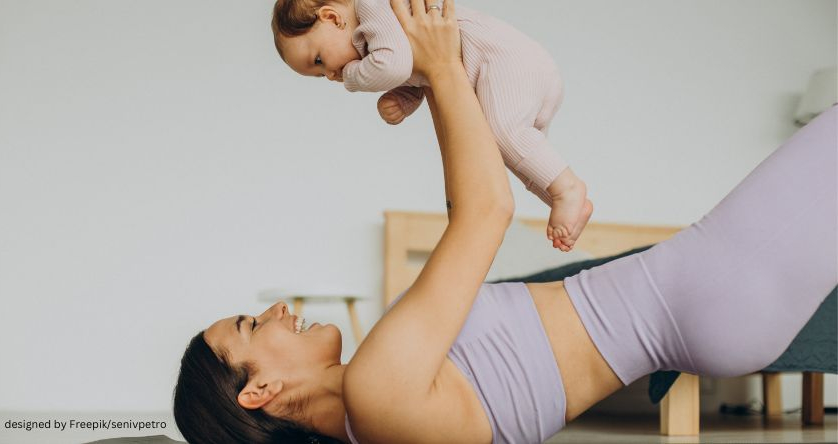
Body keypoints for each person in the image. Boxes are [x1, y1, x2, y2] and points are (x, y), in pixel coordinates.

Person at [173, 1, 838, 442]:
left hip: (699, 299)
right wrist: (438, 64)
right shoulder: (376, 391)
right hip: (701, 288)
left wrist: (439, 77)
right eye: (251, 326)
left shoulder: (378, 411)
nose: (277, 311)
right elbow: (486, 211)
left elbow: (464, 206)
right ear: (260, 390)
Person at [271, 0, 591, 251]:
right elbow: (419, 70)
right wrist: (403, 100)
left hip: (507, 61)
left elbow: (395, 65)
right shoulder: (377, 37)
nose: (330, 75)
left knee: (502, 133)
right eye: (319, 75)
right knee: (503, 150)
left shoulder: (371, 7)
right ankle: (563, 202)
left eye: (319, 60)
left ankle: (568, 189)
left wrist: (353, 78)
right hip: (515, 69)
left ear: (331, 17)